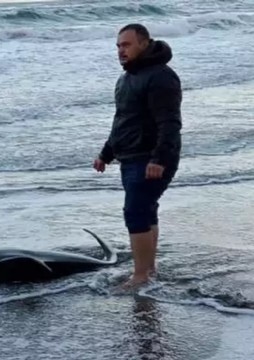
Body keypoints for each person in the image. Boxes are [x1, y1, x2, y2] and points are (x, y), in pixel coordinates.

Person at [93, 23, 182, 289]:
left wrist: (159, 159)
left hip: (150, 158)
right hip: (131, 157)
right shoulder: (126, 78)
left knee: (136, 211)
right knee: (146, 210)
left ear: (144, 43)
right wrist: (106, 154)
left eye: (127, 44)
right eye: (119, 46)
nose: (121, 50)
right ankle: (149, 271)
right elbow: (123, 121)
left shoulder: (161, 77)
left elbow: (170, 123)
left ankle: (141, 276)